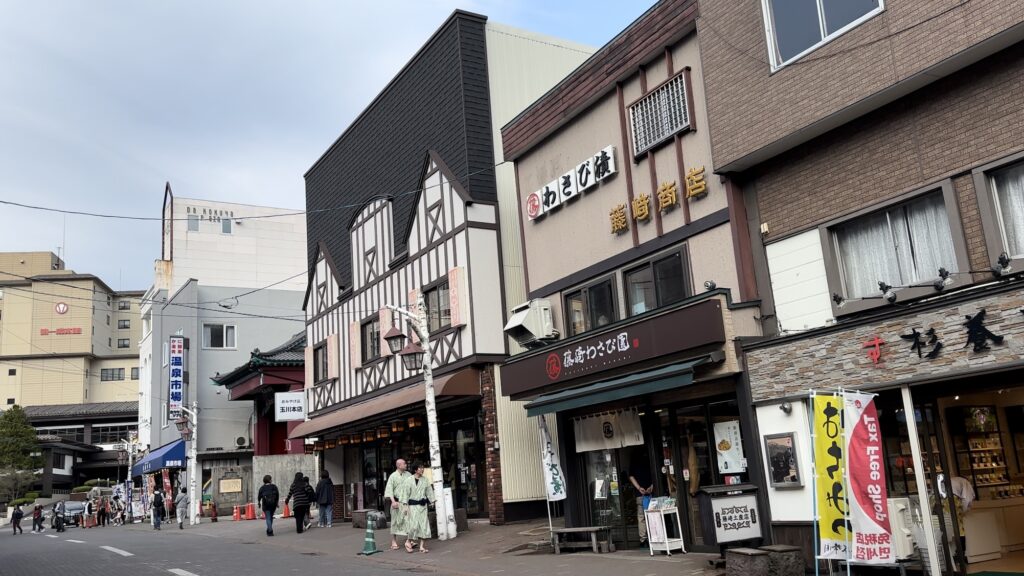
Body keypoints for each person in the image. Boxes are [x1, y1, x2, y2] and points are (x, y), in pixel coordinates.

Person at [399, 462, 435, 553]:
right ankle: (408, 541)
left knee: (424, 526)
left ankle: (422, 546)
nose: (422, 469)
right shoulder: (408, 480)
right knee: (413, 526)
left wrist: (432, 501)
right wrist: (405, 506)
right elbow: (405, 494)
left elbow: (429, 491)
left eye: (422, 467)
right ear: (415, 470)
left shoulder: (425, 480)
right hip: (412, 506)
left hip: (422, 506)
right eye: (420, 467)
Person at [383, 458, 411, 550]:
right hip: (397, 501)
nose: (406, 465)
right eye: (404, 463)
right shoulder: (393, 476)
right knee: (395, 522)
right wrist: (393, 501)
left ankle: (409, 540)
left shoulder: (408, 475)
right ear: (399, 465)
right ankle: (393, 541)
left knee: (408, 521)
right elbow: (389, 489)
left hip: (407, 502)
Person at [628, 458, 654, 544]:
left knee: (641, 518)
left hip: (640, 494)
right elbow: (655, 473)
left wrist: (639, 488)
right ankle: (654, 536)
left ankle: (643, 540)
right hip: (650, 493)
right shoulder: (650, 458)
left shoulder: (634, 461)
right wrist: (651, 487)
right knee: (653, 515)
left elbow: (631, 476)